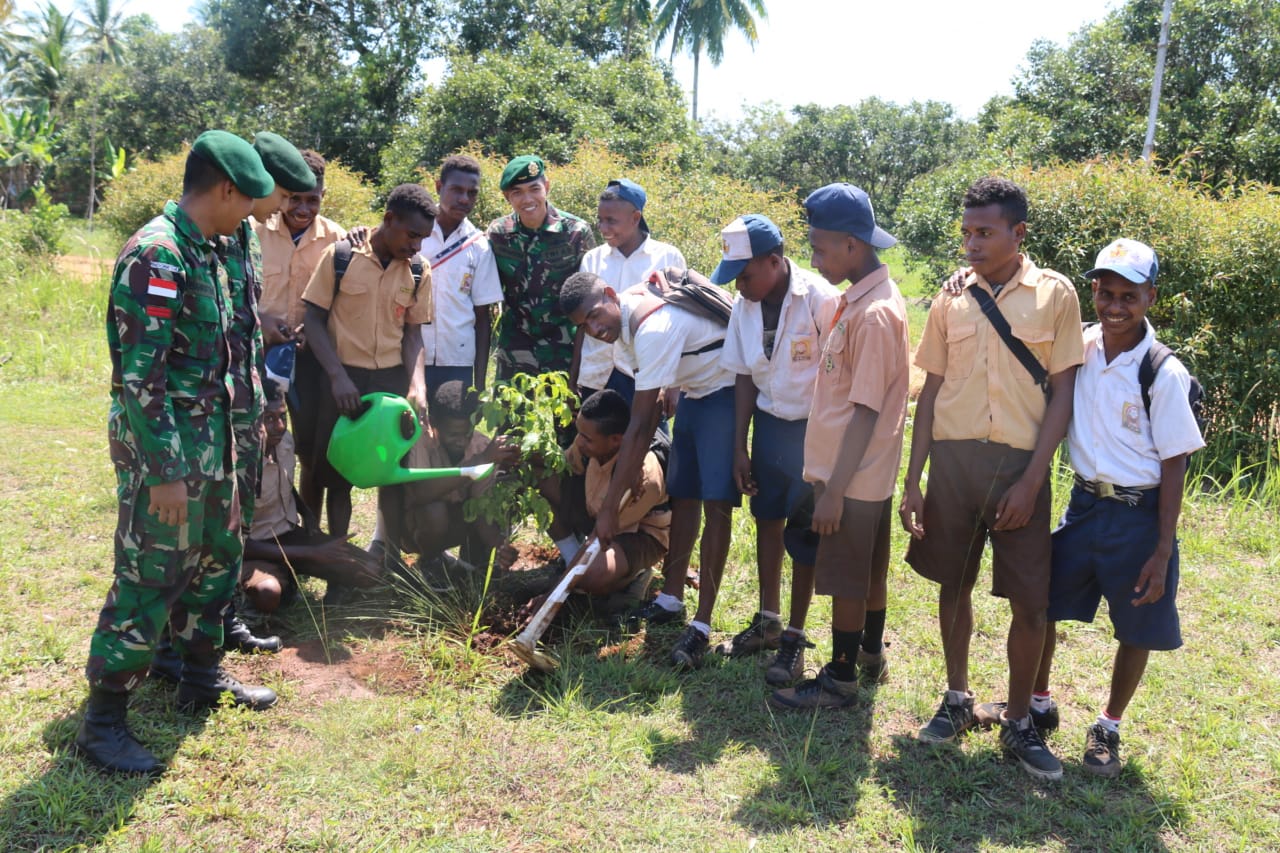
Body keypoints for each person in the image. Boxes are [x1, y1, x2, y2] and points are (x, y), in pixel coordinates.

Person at [78, 130, 280, 775]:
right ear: (223, 189)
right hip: (170, 455)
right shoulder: (157, 255)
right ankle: (103, 722)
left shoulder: (215, 247)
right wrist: (164, 473)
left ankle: (200, 678)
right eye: (247, 198)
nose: (253, 210)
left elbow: (230, 352)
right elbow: (142, 376)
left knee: (218, 561)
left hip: (217, 448)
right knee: (150, 576)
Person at [975, 239, 1203, 777]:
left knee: (1137, 625)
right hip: (1083, 507)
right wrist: (964, 281)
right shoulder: (1078, 348)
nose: (1115, 306)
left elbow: (1174, 465)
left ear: (1151, 296)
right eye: (1105, 293)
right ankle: (1036, 701)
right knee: (1043, 603)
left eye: (1130, 295)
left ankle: (1109, 725)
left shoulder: (1160, 372)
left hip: (1138, 516)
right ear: (1093, 292)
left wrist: (1162, 548)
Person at [900, 177, 1084, 781]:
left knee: (1032, 601)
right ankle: (956, 701)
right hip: (953, 465)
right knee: (952, 584)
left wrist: (1034, 480)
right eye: (967, 232)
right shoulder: (950, 298)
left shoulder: (1055, 295)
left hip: (1018, 470)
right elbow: (928, 394)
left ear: (1018, 233)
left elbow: (1063, 395)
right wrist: (914, 479)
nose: (972, 243)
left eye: (985, 232)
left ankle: (1020, 723)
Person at [767, 184, 908, 708]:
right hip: (862, 473)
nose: (814, 257)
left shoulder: (872, 314)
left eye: (822, 248)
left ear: (853, 245)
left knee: (848, 579)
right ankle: (871, 652)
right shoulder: (864, 298)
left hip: (853, 476)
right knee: (868, 570)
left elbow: (865, 410)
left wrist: (834, 490)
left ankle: (841, 677)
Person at [561, 267, 738, 669]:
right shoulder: (623, 330)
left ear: (610, 293)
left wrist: (609, 509)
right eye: (582, 326)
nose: (593, 329)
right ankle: (671, 599)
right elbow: (651, 394)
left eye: (593, 315)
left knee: (715, 506)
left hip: (724, 393)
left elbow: (640, 429)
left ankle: (702, 625)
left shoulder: (651, 327)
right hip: (695, 395)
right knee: (686, 497)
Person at [715, 214, 841, 684]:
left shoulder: (820, 299)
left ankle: (794, 634)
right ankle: (768, 619)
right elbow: (744, 374)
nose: (741, 285)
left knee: (804, 536)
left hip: (812, 431)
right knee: (766, 519)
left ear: (775, 261)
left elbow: (838, 377)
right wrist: (740, 446)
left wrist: (830, 448)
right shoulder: (744, 305)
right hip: (768, 427)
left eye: (746, 275)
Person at [300, 184, 435, 560]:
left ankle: (389, 560)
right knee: (336, 477)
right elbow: (313, 319)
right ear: (389, 219)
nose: (417, 246)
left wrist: (417, 384)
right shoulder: (341, 256)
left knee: (390, 474)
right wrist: (336, 377)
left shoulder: (420, 271)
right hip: (342, 381)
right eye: (412, 235)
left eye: (423, 238)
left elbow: (413, 334)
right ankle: (339, 563)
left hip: (390, 384)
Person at [253, 149, 364, 538]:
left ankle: (310, 533)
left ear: (323, 196)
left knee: (312, 453)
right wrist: (262, 322)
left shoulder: (336, 237)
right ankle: (267, 527)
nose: (302, 208)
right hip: (260, 356)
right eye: (294, 198)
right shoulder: (255, 231)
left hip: (312, 360)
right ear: (282, 195)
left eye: (312, 199)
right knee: (265, 441)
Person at [238, 382, 383, 615]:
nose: (280, 426)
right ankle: (247, 590)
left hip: (288, 535)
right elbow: (236, 544)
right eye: (269, 418)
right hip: (255, 549)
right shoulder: (238, 462)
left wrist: (306, 513)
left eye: (283, 416)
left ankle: (287, 572)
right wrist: (311, 553)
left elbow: (282, 482)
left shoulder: (284, 440)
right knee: (268, 594)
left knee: (370, 570)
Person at [523, 389, 671, 613]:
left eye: (587, 438)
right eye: (579, 433)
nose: (579, 442)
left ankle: (635, 576)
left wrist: (551, 597)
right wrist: (526, 455)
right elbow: (562, 466)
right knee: (538, 479)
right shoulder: (589, 443)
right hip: (596, 513)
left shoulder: (643, 478)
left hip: (635, 535)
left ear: (616, 440)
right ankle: (572, 561)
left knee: (596, 575)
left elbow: (600, 537)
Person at [382, 380, 520, 582]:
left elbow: (480, 508)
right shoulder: (418, 440)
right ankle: (430, 562)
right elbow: (419, 493)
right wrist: (477, 463)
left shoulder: (480, 445)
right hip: (414, 528)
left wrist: (498, 545)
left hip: (455, 523)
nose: (462, 441)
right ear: (433, 422)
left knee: (501, 493)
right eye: (453, 434)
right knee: (434, 511)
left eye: (467, 433)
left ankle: (474, 563)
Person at [575, 179, 686, 401]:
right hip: (597, 374)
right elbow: (582, 323)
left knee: (646, 434)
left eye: (611, 221)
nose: (603, 229)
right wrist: (575, 376)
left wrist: (675, 384)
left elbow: (681, 324)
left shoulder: (667, 258)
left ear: (636, 218)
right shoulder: (593, 259)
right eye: (600, 220)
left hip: (646, 377)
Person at [487, 155, 595, 381]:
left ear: (546, 186)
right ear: (508, 197)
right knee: (510, 416)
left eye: (534, 188)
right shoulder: (498, 234)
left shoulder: (575, 232)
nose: (527, 199)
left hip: (563, 349)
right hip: (515, 350)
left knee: (564, 416)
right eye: (517, 192)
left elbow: (590, 297)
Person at [420, 154, 503, 395]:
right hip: (413, 356)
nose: (464, 199)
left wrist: (478, 383)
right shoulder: (416, 231)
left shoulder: (478, 246)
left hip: (458, 359)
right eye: (456, 190)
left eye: (472, 192)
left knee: (453, 431)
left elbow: (482, 317)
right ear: (438, 187)